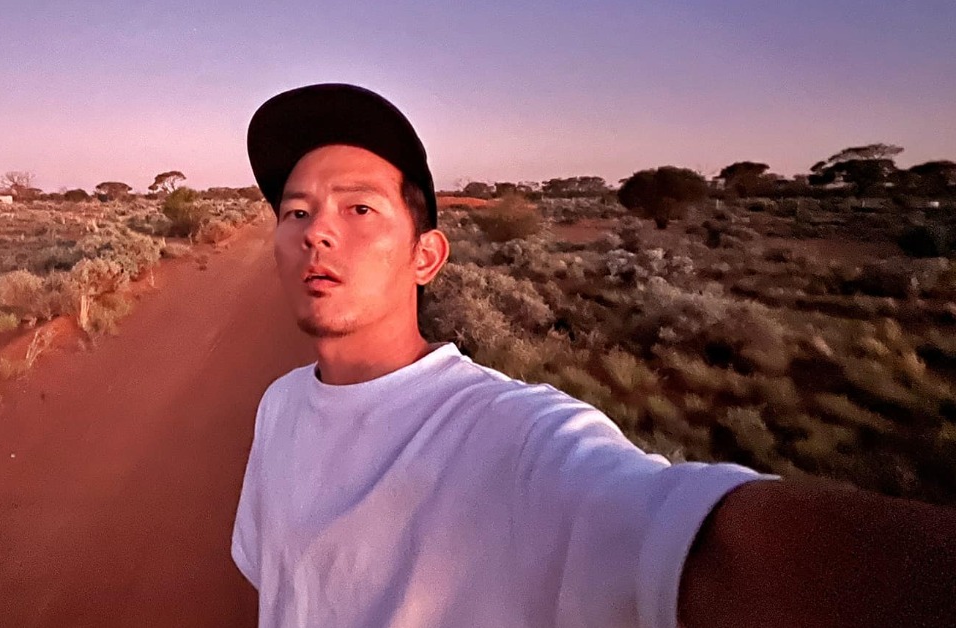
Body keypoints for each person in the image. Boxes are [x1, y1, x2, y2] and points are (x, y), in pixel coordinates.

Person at [231, 83, 956, 628]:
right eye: (296, 211)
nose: (316, 232)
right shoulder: (280, 407)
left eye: (359, 208)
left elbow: (704, 550)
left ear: (426, 256)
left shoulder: (515, 437)